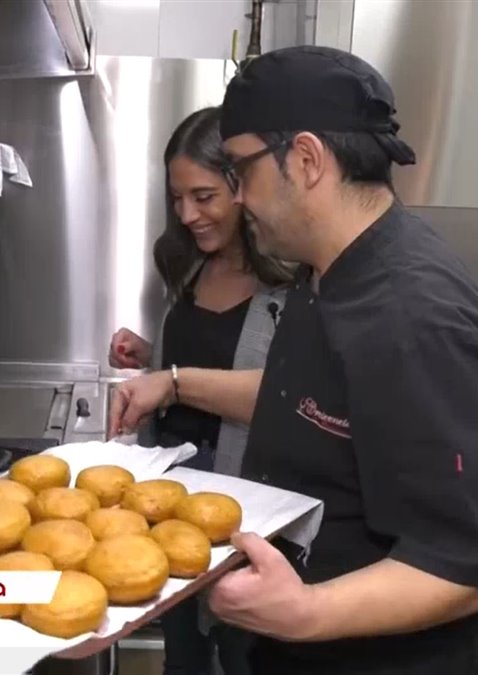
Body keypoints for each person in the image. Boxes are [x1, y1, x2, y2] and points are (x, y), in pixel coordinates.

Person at [107, 46, 478, 675]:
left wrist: (306, 612)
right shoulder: (327, 272)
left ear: (305, 160)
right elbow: (308, 401)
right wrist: (171, 382)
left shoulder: (419, 318)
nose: (239, 198)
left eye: (241, 170)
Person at [108, 106, 291, 675]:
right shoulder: (185, 264)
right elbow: (194, 365)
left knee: (243, 653)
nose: (187, 214)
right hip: (173, 499)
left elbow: (285, 398)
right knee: (183, 652)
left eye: (204, 196)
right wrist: (153, 356)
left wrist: (174, 379)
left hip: (247, 503)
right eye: (178, 198)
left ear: (243, 189)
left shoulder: (289, 281)